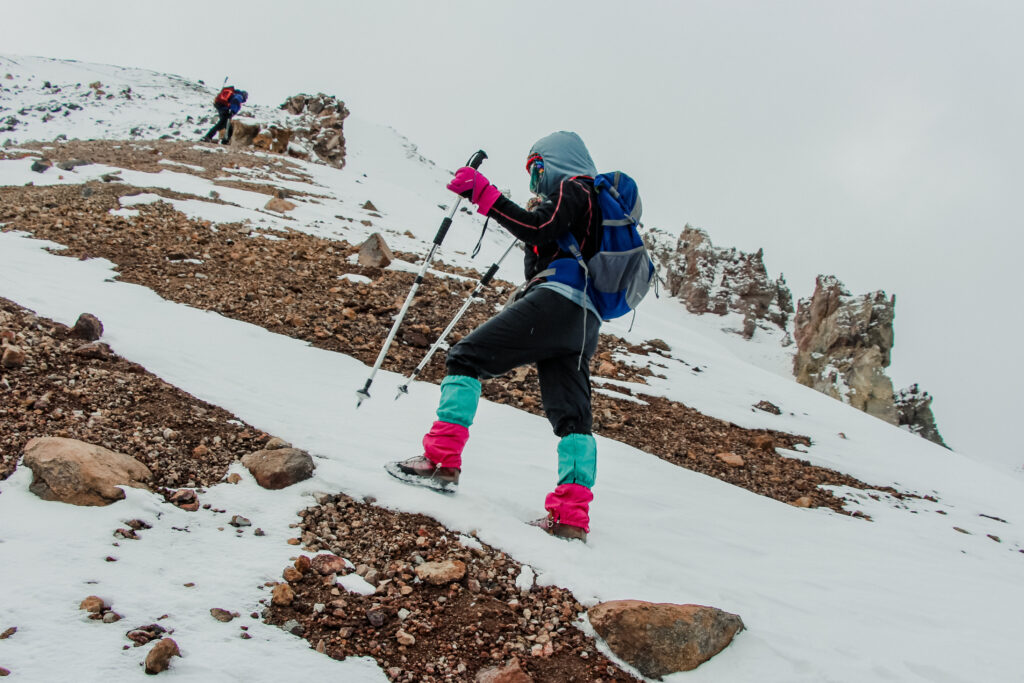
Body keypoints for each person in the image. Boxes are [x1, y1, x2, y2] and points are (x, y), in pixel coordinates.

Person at [388, 131, 603, 542]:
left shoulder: (575, 188)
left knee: (466, 357)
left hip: (558, 302)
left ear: (557, 161)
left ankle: (440, 461)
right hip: (584, 321)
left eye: (537, 169)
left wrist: (485, 195)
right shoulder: (592, 204)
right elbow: (543, 238)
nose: (535, 182)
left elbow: (539, 229)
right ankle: (570, 517)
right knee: (573, 416)